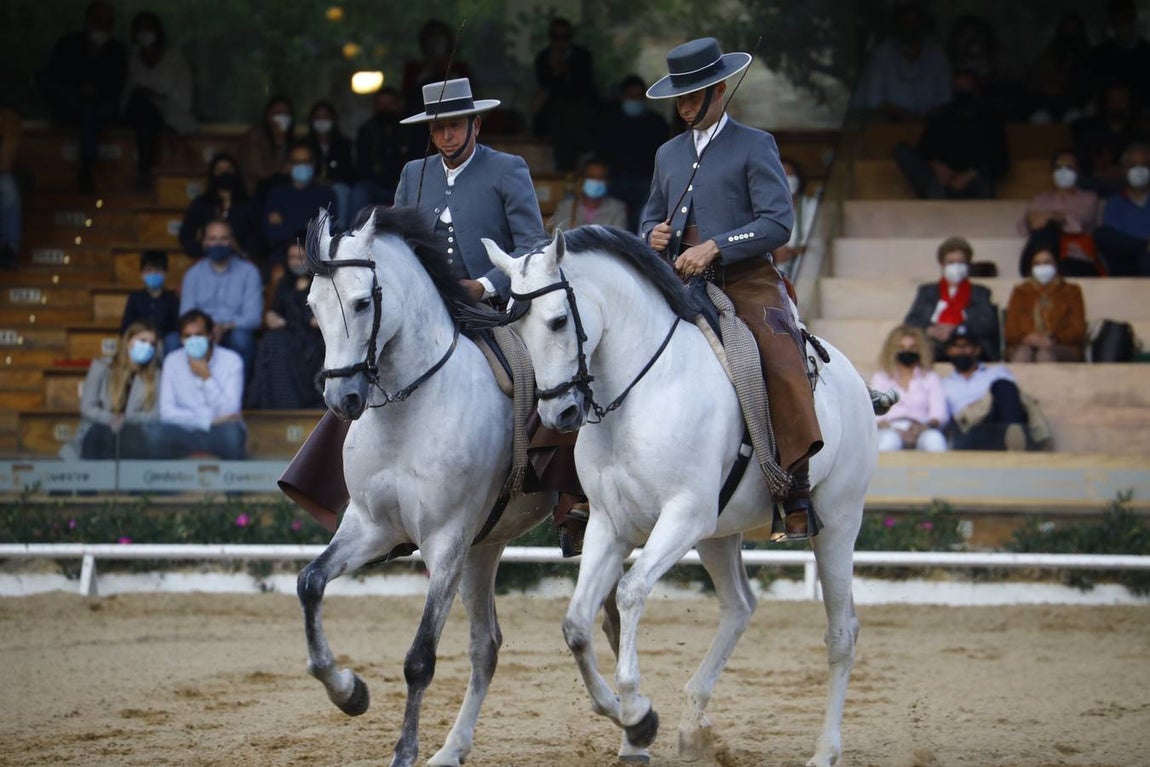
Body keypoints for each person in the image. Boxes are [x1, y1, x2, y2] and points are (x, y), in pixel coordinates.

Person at [640, 37, 817, 540]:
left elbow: (778, 223)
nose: (685, 106)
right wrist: (649, 234)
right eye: (680, 97)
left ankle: (794, 483)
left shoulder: (754, 143)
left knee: (780, 353)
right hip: (676, 275)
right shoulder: (667, 152)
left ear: (719, 90)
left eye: (694, 96)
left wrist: (717, 245)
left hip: (745, 276)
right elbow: (652, 214)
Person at [395, 77, 547, 301]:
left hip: (492, 310)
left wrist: (485, 286)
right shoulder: (413, 173)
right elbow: (395, 243)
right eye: (438, 127)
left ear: (475, 125)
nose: (446, 136)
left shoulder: (507, 168)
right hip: (422, 306)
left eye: (455, 125)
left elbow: (533, 245)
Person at [36, 1, 127, 192]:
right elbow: (53, 78)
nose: (102, 25)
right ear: (87, 21)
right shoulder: (67, 45)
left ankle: (85, 169)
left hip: (100, 109)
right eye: (98, 20)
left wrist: (96, 89)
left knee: (91, 111)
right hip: (69, 106)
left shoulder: (117, 50)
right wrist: (77, 90)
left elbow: (117, 85)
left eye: (107, 21)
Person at [894, 69, 1009, 200]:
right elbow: (923, 150)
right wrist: (936, 165)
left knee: (983, 183)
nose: (962, 92)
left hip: (973, 183)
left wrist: (968, 176)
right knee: (902, 150)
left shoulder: (990, 120)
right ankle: (937, 197)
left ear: (976, 90)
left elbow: (1001, 161)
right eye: (958, 88)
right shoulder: (942, 116)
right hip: (941, 182)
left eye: (966, 88)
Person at [154, 309, 246, 460]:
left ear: (210, 335)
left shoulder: (231, 361)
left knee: (232, 434)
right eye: (187, 336)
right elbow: (167, 412)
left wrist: (207, 377)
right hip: (184, 431)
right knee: (156, 434)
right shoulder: (172, 361)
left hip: (220, 431)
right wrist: (207, 420)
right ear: (181, 339)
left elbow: (231, 411)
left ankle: (235, 483)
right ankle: (161, 482)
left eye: (199, 335)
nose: (193, 340)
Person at [119, 11, 197, 189]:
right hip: (138, 116)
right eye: (141, 29)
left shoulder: (175, 59)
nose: (145, 33)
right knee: (141, 104)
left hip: (170, 115)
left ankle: (145, 172)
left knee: (146, 106)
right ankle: (144, 172)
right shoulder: (133, 60)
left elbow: (184, 100)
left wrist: (154, 96)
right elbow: (125, 98)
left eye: (149, 28)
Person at [62, 321, 161, 460]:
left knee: (132, 439)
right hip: (99, 428)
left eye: (152, 344)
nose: (147, 347)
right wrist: (112, 420)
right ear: (128, 342)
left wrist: (126, 421)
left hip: (133, 432)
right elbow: (87, 407)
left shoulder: (155, 376)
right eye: (142, 341)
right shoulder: (101, 367)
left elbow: (155, 414)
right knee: (99, 436)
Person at [247, 241, 324, 410]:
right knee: (272, 341)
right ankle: (281, 406)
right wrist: (271, 317)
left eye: (301, 257)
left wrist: (320, 320)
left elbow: (328, 317)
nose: (297, 262)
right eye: (292, 258)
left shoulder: (323, 284)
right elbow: (275, 311)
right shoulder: (284, 284)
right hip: (288, 337)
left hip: (315, 341)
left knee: (280, 344)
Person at [179, 219, 263, 372]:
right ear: (204, 242)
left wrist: (224, 326)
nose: (218, 243)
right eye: (212, 238)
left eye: (224, 239)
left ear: (232, 242)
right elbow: (186, 315)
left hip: (233, 331)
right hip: (201, 332)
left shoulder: (249, 272)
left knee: (242, 338)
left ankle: (241, 393)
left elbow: (253, 318)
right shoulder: (193, 274)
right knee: (173, 341)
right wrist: (207, 330)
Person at [904, 236, 1000, 362]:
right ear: (942, 265)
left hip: (968, 344)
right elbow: (912, 320)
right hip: (935, 344)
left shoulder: (980, 292)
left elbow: (987, 323)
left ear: (968, 264)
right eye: (951, 262)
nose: (956, 267)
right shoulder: (927, 291)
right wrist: (930, 330)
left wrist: (956, 330)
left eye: (961, 262)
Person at [595, 74, 669, 233]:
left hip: (647, 182)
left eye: (638, 96)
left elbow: (664, 155)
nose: (634, 100)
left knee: (645, 220)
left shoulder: (656, 123)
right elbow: (601, 153)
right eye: (630, 96)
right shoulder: (610, 122)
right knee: (612, 221)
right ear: (622, 96)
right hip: (616, 180)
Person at [857, 0, 951, 121]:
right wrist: (904, 116)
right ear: (897, 24)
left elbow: (944, 99)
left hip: (930, 128)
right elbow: (874, 100)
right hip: (887, 129)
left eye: (916, 21)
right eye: (906, 22)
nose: (911, 27)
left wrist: (924, 120)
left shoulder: (937, 55)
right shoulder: (882, 55)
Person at [940, 327, 1030, 451]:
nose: (961, 350)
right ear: (948, 351)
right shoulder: (943, 384)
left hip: (995, 427)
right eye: (956, 346)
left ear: (977, 350)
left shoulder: (997, 372)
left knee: (1003, 385)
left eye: (967, 345)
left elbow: (1013, 400)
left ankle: (1015, 439)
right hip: (965, 432)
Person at [1017, 149, 1102, 276]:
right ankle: (1042, 263)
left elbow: (1080, 224)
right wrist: (1030, 220)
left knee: (1050, 225)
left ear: (1078, 171)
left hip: (1077, 259)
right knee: (1044, 230)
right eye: (1058, 167)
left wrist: (1054, 217)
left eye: (1068, 167)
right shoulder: (1039, 200)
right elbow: (1023, 228)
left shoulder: (1089, 198)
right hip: (1039, 256)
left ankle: (1043, 265)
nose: (1063, 172)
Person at [532, 17, 598, 171]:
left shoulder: (582, 56)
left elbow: (583, 87)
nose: (561, 41)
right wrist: (555, 71)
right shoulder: (543, 58)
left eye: (565, 37)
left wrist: (563, 70)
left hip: (580, 109)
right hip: (554, 114)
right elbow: (546, 87)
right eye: (556, 37)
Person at [870, 324, 948, 453]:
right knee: (889, 441)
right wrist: (895, 430)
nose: (907, 351)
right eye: (901, 347)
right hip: (890, 429)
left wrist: (921, 429)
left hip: (922, 428)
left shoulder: (930, 378)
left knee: (935, 441)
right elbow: (875, 415)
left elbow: (939, 414)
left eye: (912, 347)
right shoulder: (881, 378)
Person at [1004, 242, 1086, 362]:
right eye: (1037, 263)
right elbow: (1010, 331)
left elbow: (1077, 330)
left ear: (1056, 265)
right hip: (1024, 344)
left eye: (1047, 262)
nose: (1042, 267)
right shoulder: (1020, 292)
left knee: (1044, 354)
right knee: (1023, 354)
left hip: (1061, 345)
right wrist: (1027, 338)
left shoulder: (1071, 291)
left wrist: (1054, 339)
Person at [177, 152, 260, 261]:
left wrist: (240, 248)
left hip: (240, 261)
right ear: (213, 174)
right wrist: (203, 248)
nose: (225, 173)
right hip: (208, 261)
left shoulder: (249, 204)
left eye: (229, 169)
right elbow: (186, 234)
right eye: (220, 170)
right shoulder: (202, 203)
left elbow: (258, 237)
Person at [263, 143, 336, 267]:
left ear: (313, 164)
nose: (302, 165)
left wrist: (285, 224)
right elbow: (270, 232)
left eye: (306, 161)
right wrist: (306, 226)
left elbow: (327, 232)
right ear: (289, 165)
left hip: (317, 257)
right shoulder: (276, 193)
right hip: (282, 256)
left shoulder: (326, 194)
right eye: (297, 162)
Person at [1071, 82, 1148, 197]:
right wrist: (1099, 171)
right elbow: (1085, 167)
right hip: (1096, 186)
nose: (1116, 105)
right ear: (1105, 104)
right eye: (1112, 101)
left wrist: (1119, 171)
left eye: (1122, 101)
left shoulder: (1140, 135)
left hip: (1129, 185)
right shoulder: (1088, 132)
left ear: (1129, 104)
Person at [351, 87, 420, 212]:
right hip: (376, 185)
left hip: (404, 184)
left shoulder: (412, 129)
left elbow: (417, 160)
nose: (385, 109)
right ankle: (356, 230)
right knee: (360, 190)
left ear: (399, 105)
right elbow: (362, 166)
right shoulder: (367, 130)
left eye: (390, 104)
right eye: (381, 104)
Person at [1093, 142, 1150, 276]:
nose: (1139, 170)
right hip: (1128, 264)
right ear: (1124, 169)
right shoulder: (1115, 203)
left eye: (1144, 165)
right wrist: (1144, 245)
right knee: (1101, 234)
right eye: (1133, 165)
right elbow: (1114, 239)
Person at [1026, 13, 1092, 123]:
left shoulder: (1088, 59)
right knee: (1039, 119)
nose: (1070, 36)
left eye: (1074, 31)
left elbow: (1086, 89)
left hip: (1075, 106)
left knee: (1074, 118)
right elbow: (1033, 83)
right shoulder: (1048, 56)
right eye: (1067, 31)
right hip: (1047, 105)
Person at [1084, 0, 1150, 109]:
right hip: (1110, 112)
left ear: (1133, 19)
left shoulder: (1146, 52)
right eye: (1116, 21)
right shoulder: (1101, 54)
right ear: (1111, 24)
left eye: (1124, 20)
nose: (1121, 25)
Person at [304, 101, 355, 226]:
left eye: (326, 117)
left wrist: (331, 181)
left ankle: (340, 231)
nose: (322, 121)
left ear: (333, 120)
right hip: (310, 183)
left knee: (342, 190)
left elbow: (349, 172)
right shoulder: (304, 143)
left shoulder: (343, 144)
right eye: (318, 117)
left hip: (336, 185)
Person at [120, 250, 181, 355]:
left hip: (164, 344)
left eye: (158, 271)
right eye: (148, 270)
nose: (153, 274)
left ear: (165, 273)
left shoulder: (172, 299)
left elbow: (177, 326)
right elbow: (126, 327)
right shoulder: (135, 298)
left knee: (173, 339)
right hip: (140, 341)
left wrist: (159, 340)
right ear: (142, 274)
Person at [545, 156, 627, 233]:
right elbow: (557, 239)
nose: (596, 182)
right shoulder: (565, 207)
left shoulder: (617, 209)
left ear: (608, 182)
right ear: (582, 179)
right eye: (591, 177)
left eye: (601, 178)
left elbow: (618, 243)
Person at [237, 95, 295, 201]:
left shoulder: (292, 140)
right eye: (278, 113)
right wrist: (282, 170)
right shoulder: (255, 136)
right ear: (268, 116)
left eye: (286, 113)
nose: (282, 117)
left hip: (283, 194)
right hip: (255, 195)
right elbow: (259, 171)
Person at [772, 157, 820, 277]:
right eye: (781, 174)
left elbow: (817, 243)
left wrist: (791, 252)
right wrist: (773, 252)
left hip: (804, 273)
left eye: (790, 175)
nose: (787, 179)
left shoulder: (811, 206)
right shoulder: (761, 209)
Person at [0, 108, 20, 270]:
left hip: (2, 173)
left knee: (8, 191)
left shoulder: (8, 120)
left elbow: (5, 163)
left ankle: (9, 249)